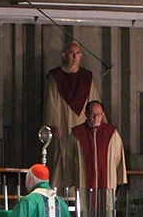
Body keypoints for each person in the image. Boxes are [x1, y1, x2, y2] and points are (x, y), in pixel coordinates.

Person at [65, 100, 127, 217]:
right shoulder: (76, 134)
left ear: (103, 115)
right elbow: (70, 159)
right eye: (92, 115)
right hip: (85, 184)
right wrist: (71, 181)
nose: (95, 118)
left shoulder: (112, 133)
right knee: (85, 216)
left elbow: (118, 158)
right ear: (86, 114)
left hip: (106, 184)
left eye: (98, 115)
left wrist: (117, 180)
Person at [43, 40, 101, 188]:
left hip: (81, 121)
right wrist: (53, 124)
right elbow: (51, 101)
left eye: (77, 53)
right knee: (59, 156)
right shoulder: (55, 76)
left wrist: (95, 123)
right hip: (61, 122)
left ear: (81, 56)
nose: (74, 57)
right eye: (71, 53)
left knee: (80, 155)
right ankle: (57, 189)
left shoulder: (87, 78)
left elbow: (94, 102)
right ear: (64, 55)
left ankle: (77, 191)